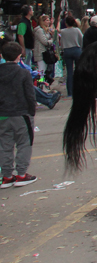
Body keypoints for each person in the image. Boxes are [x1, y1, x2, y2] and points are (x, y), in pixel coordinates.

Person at [0, 42, 38, 188]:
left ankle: (7, 175)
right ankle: (21, 174)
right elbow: (30, 94)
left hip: (2, 114)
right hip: (21, 113)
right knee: (24, 143)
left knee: (5, 144)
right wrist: (31, 111)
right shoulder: (23, 73)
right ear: (18, 56)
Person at [59, 15, 83, 98]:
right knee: (78, 70)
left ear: (66, 23)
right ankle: (79, 89)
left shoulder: (63, 31)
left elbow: (61, 41)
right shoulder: (77, 30)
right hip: (76, 49)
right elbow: (81, 39)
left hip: (67, 50)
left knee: (69, 71)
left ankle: (70, 92)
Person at [32, 14, 56, 79]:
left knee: (44, 70)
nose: (49, 22)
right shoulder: (39, 31)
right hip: (40, 53)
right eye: (47, 20)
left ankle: (43, 84)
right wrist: (52, 40)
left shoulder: (46, 30)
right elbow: (45, 42)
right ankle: (40, 84)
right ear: (43, 21)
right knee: (41, 71)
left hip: (45, 53)